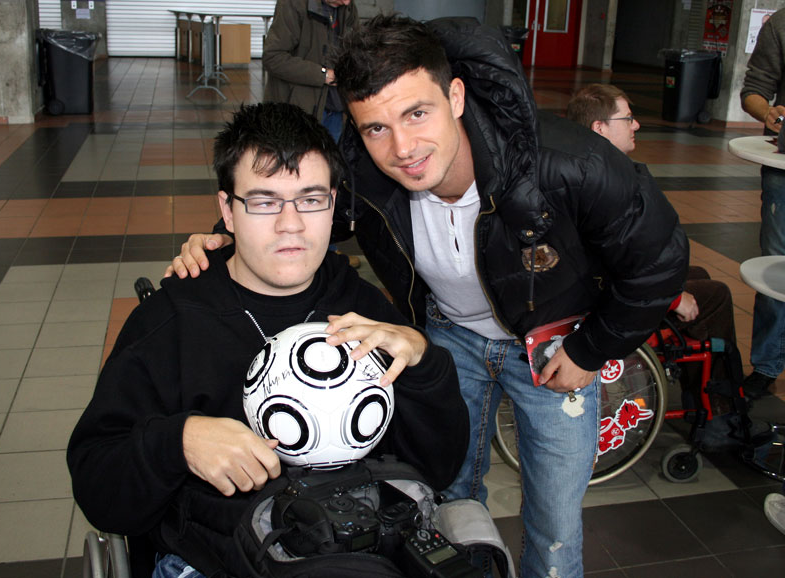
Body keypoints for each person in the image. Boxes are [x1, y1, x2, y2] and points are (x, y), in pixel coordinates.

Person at [167, 16, 689, 577]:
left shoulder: (568, 164)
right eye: (376, 128)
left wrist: (592, 350)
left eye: (417, 113)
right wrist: (221, 235)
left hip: (553, 348)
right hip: (447, 339)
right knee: (443, 497)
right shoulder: (367, 177)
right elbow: (295, 208)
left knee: (555, 522)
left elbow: (659, 261)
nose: (403, 148)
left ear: (456, 96)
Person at [67, 102, 469, 578]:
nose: (291, 223)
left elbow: (436, 469)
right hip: (217, 558)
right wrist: (177, 442)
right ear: (227, 211)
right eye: (263, 201)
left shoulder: (366, 313)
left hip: (354, 552)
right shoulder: (171, 324)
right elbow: (100, 488)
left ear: (333, 204)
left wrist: (424, 365)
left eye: (310, 198)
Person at [568, 83, 738, 407]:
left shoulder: (581, 167)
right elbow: (611, 262)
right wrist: (673, 299)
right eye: (628, 119)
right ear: (599, 128)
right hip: (609, 303)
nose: (636, 125)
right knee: (717, 296)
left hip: (598, 289)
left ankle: (699, 391)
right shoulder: (607, 185)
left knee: (698, 273)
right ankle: (719, 410)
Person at [741, 8, 785, 399]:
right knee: (776, 269)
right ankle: (768, 364)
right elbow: (754, 89)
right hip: (784, 171)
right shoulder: (782, 24)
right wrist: (768, 112)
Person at [263, 0, 356, 142]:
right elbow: (273, 57)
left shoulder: (347, 7)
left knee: (329, 162)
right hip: (296, 112)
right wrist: (323, 74)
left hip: (335, 109)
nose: (347, 2)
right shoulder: (292, 4)